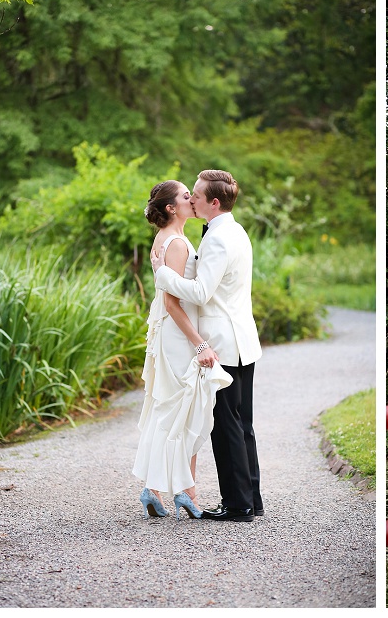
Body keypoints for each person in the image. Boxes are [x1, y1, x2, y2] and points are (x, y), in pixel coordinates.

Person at [151, 169, 263, 522]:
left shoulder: (216, 238)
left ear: (214, 202)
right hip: (243, 340)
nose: (192, 199)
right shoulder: (236, 230)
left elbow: (201, 293)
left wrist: (164, 276)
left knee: (225, 424)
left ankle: (237, 505)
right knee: (242, 423)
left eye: (196, 195)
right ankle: (251, 500)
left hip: (224, 343)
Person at [133, 180, 233, 520]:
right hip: (178, 335)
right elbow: (172, 303)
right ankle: (183, 492)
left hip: (170, 332)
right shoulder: (175, 243)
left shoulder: (168, 239)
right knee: (184, 412)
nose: (193, 200)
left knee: (174, 412)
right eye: (186, 197)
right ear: (172, 208)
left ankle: (161, 488)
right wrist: (199, 343)